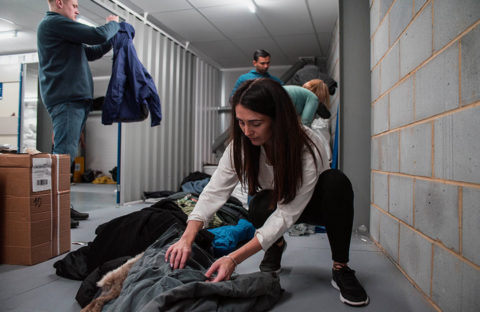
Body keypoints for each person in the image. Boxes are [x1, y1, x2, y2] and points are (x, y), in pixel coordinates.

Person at [165, 78, 369, 307]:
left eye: (255, 123)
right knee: (259, 203)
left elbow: (287, 214)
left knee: (336, 182)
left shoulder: (309, 145)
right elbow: (214, 190)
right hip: (279, 201)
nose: (246, 131)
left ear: (277, 119)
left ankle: (341, 267)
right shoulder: (241, 145)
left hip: (314, 206)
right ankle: (276, 245)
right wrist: (187, 237)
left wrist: (233, 258)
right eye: (241, 122)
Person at [38, 0, 120, 227]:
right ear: (59, 3)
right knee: (63, 158)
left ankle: (63, 206)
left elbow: (92, 52)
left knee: (66, 157)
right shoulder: (53, 23)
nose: (77, 9)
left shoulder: (63, 33)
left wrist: (113, 38)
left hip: (74, 101)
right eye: (74, 5)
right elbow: (96, 35)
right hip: (66, 99)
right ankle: (56, 212)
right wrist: (112, 24)